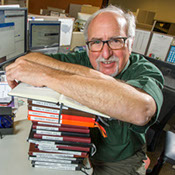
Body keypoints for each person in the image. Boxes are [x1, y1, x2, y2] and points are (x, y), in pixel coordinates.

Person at [5, 5, 164, 175]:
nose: (105, 53)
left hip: (118, 162)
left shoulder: (145, 71)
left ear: (130, 43)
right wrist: (84, 73)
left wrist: (48, 76)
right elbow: (29, 60)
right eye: (96, 42)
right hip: (72, 152)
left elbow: (141, 111)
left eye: (115, 40)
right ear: (88, 45)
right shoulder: (83, 58)